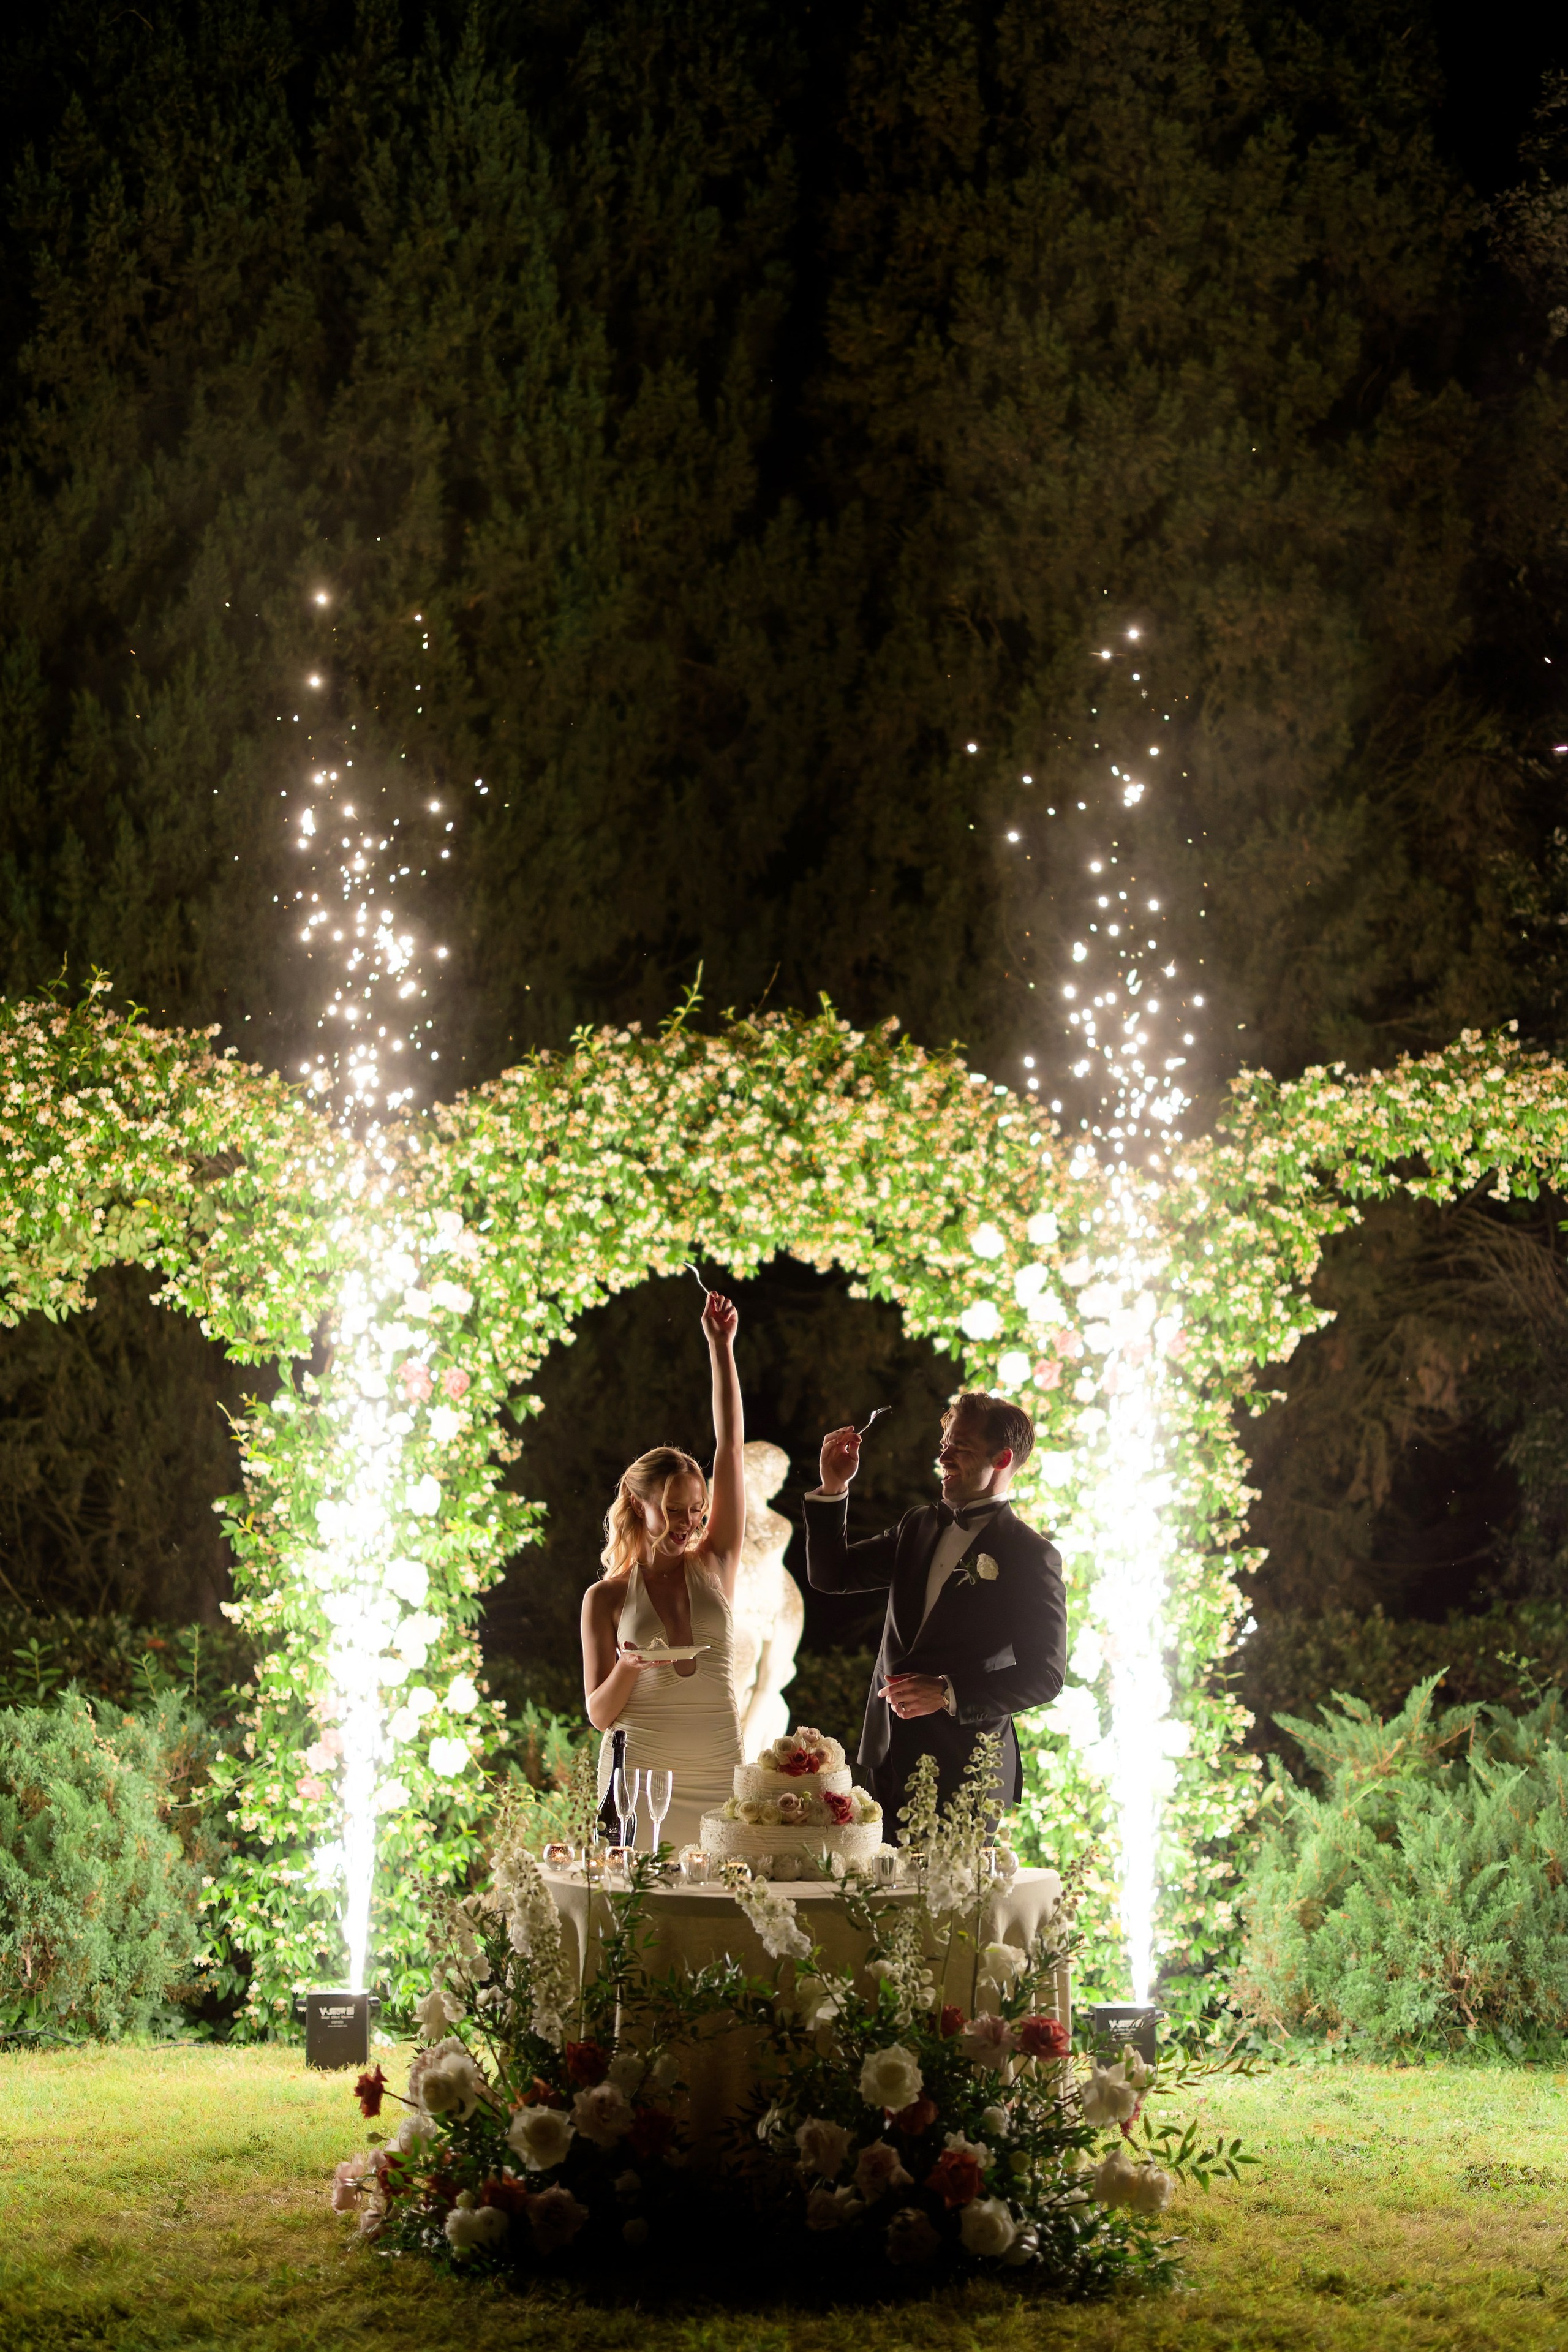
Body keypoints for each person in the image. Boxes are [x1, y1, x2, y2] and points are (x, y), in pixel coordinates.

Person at [804, 1392, 1067, 1822]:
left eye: (959, 1446)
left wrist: (948, 1692)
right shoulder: (918, 1525)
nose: (943, 1456)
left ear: (1002, 1460)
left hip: (966, 1773)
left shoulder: (1030, 1556)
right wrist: (834, 1487)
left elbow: (1046, 1676)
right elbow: (833, 1576)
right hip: (884, 1758)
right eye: (944, 1443)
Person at [581, 1289, 747, 1854]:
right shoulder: (604, 1598)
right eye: (675, 1510)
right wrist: (627, 1667)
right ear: (638, 1501)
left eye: (697, 1510)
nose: (690, 1523)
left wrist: (721, 1347)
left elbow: (731, 1449)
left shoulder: (716, 1562)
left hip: (722, 1773)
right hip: (639, 1780)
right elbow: (601, 1715)